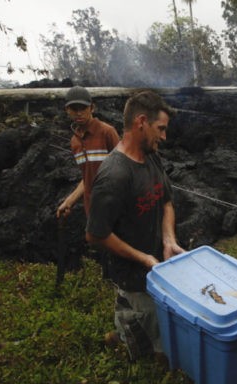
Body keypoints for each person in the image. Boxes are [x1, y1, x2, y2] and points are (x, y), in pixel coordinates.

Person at [85, 90, 185, 362]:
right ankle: (126, 333)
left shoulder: (151, 155)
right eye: (160, 129)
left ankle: (127, 329)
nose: (164, 137)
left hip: (158, 268)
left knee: (168, 335)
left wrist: (168, 240)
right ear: (141, 122)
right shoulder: (115, 175)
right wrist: (143, 258)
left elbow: (166, 200)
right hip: (134, 277)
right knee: (154, 353)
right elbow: (95, 234)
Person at [57, 86, 120, 218]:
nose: (79, 113)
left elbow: (124, 168)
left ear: (92, 108)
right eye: (74, 109)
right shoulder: (75, 141)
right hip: (92, 209)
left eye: (83, 108)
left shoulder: (107, 132)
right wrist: (70, 201)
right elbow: (88, 177)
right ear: (67, 110)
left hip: (114, 206)